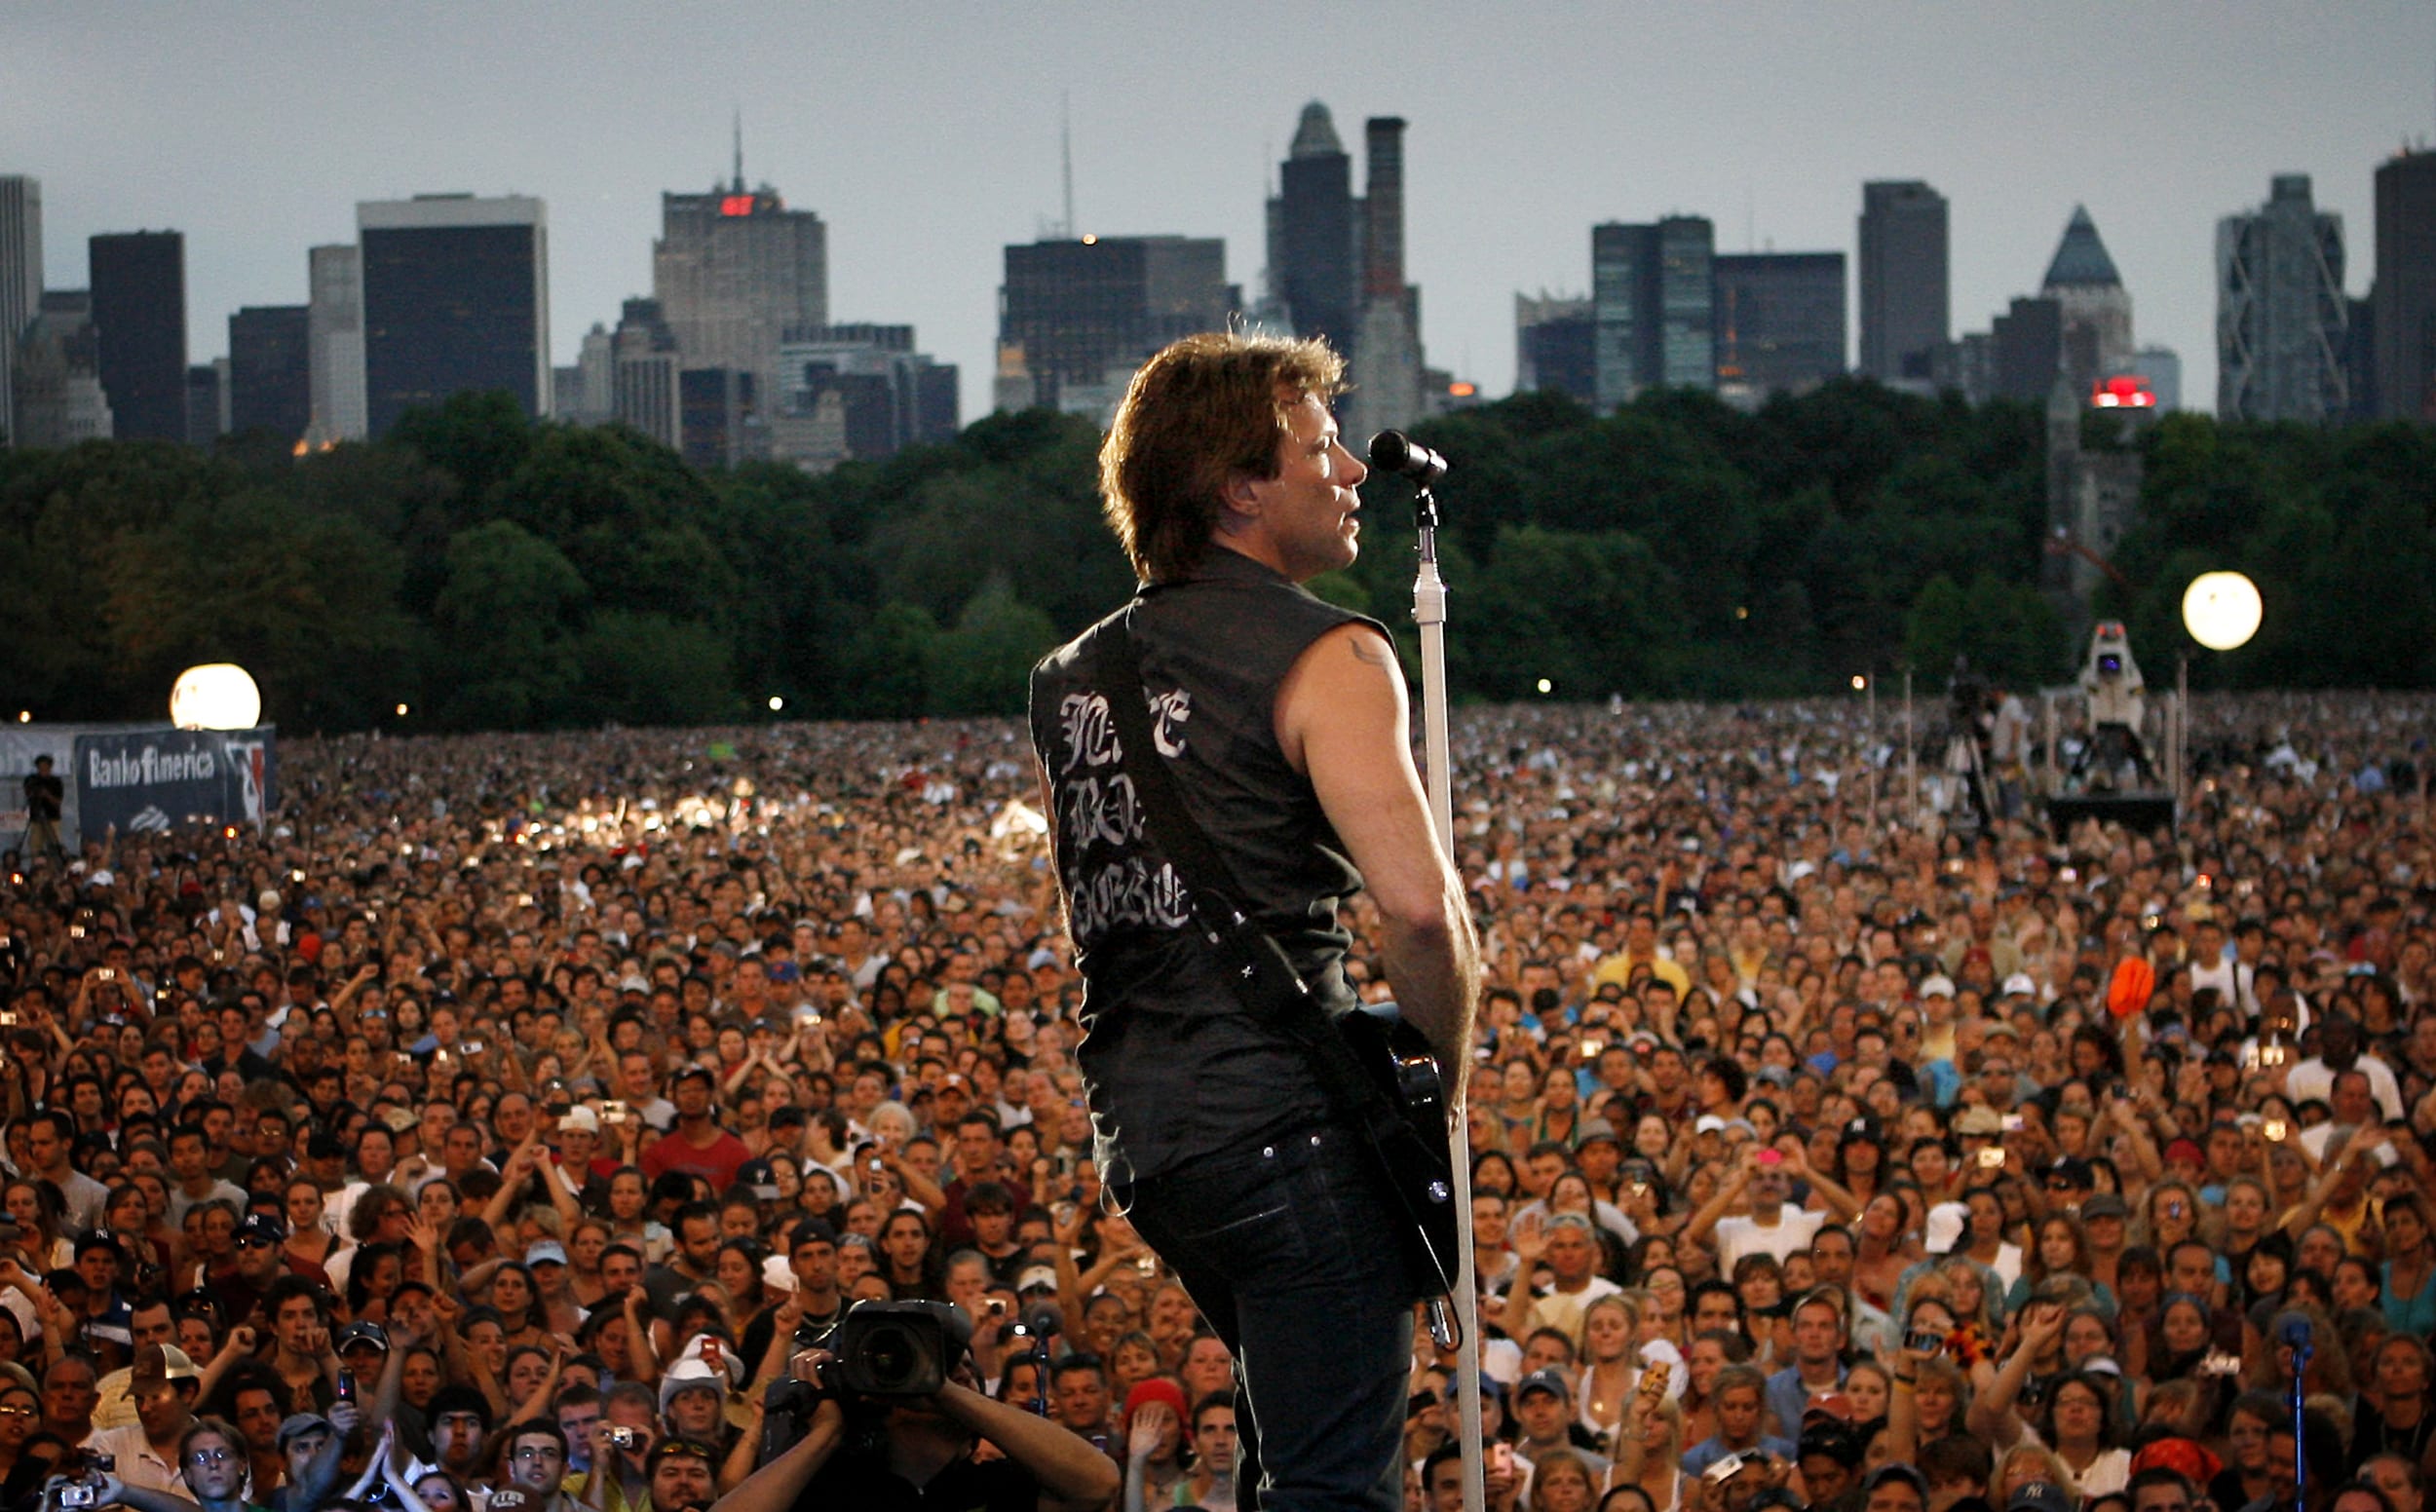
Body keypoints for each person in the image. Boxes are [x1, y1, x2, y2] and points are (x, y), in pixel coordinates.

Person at [1026, 330, 1477, 1512]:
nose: (1351, 469)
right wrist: (1446, 1065)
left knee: (1285, 1464)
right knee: (1333, 1490)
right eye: (1319, 445)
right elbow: (1421, 911)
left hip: (1153, 1140)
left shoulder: (1069, 677)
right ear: (1238, 488)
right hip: (1289, 1126)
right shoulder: (1328, 651)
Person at [19, 755, 63, 863]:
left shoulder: (56, 781)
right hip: (36, 818)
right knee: (35, 846)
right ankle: (36, 867)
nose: (43, 768)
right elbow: (28, 793)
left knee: (54, 845)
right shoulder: (32, 780)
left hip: (52, 817)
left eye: (45, 766)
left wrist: (47, 795)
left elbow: (58, 801)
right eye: (40, 766)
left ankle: (54, 868)